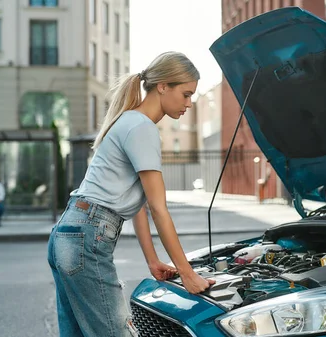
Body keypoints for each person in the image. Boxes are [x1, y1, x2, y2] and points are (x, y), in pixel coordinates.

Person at [46, 51, 214, 337]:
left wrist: (152, 260)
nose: (189, 103)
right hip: (86, 236)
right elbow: (160, 209)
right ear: (163, 86)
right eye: (185, 94)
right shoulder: (142, 127)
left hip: (69, 234)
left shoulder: (128, 121)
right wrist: (187, 274)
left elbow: (140, 206)